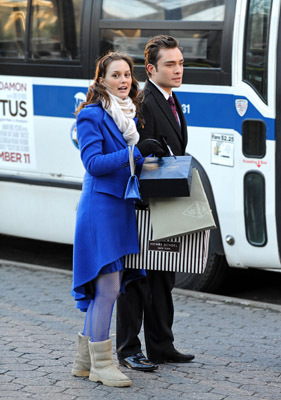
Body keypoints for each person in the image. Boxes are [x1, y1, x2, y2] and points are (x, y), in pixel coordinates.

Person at [70, 51, 165, 387]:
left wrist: (147, 156)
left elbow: (127, 163)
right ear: (101, 80)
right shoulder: (91, 115)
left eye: (127, 75)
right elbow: (93, 164)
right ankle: (102, 365)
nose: (124, 81)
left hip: (119, 208)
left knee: (104, 289)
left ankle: (84, 362)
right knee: (108, 287)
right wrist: (136, 152)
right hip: (99, 209)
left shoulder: (126, 113)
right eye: (116, 75)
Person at [116, 35, 195, 371]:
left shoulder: (171, 98)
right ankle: (128, 349)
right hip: (144, 206)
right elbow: (130, 152)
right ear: (150, 68)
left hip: (165, 201)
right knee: (137, 279)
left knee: (163, 276)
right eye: (170, 64)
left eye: (180, 63)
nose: (178, 70)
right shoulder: (143, 100)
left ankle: (162, 345)